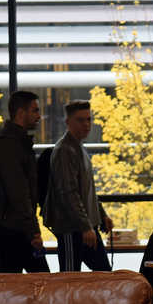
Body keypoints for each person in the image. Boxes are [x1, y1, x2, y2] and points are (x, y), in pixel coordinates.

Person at [0, 91, 50, 273]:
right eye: (35, 111)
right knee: (43, 283)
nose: (39, 116)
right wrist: (33, 232)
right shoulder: (11, 145)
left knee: (12, 281)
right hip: (16, 228)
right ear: (21, 113)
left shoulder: (10, 142)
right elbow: (19, 192)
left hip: (10, 226)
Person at [45, 100, 112, 272]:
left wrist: (101, 215)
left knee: (105, 275)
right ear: (68, 122)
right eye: (80, 120)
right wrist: (85, 226)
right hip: (71, 228)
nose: (87, 124)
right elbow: (68, 193)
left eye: (89, 119)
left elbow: (87, 189)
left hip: (86, 226)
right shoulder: (65, 150)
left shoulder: (79, 147)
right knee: (70, 279)